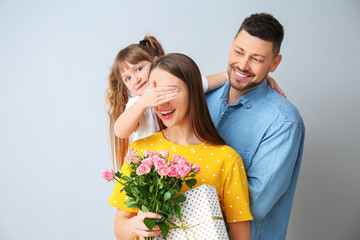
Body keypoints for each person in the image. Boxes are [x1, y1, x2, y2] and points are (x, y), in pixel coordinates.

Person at [108, 53, 253, 240]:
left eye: (170, 91)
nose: (162, 102)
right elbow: (120, 227)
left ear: (193, 91)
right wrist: (135, 226)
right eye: (156, 94)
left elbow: (242, 236)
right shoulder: (140, 152)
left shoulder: (227, 159)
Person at [105, 35, 284, 171]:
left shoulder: (177, 88)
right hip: (149, 171)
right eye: (127, 78)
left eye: (139, 69)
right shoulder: (137, 104)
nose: (135, 79)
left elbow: (213, 80)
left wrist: (255, 77)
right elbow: (120, 131)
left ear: (156, 63)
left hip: (175, 165)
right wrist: (143, 103)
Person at [206, 13, 305, 240]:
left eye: (257, 59)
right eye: (239, 52)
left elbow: (256, 203)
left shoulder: (284, 122)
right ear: (231, 44)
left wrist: (180, 192)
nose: (242, 65)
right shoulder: (201, 98)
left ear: (274, 63)